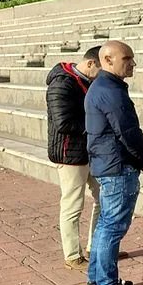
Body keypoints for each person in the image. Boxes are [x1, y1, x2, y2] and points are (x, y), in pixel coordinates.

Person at [84, 41, 143, 285]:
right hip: (117, 167)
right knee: (112, 227)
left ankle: (97, 281)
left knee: (106, 226)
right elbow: (127, 132)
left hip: (107, 164)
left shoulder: (102, 87)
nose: (133, 63)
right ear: (108, 60)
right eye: (127, 58)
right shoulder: (110, 91)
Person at [46, 45, 102, 272]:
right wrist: (97, 126)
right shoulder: (61, 83)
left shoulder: (88, 81)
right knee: (72, 204)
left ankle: (97, 247)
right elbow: (63, 124)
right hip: (70, 153)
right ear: (90, 64)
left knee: (104, 198)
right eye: (102, 69)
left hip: (90, 151)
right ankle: (72, 255)